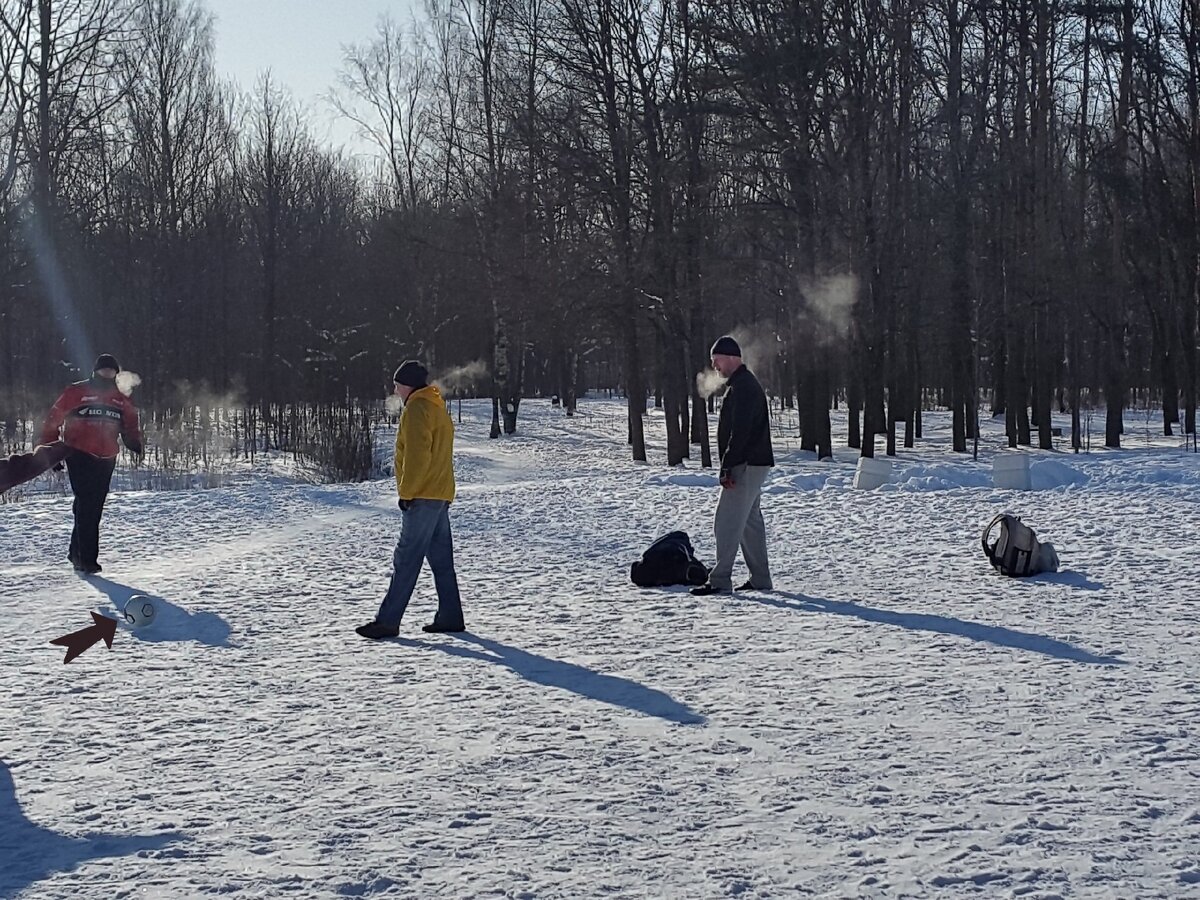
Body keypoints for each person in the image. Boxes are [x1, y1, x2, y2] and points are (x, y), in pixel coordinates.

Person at [357, 360, 465, 638]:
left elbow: (417, 457)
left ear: (408, 385)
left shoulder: (417, 409)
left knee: (405, 559)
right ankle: (450, 616)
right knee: (442, 561)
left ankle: (388, 621)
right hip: (440, 494)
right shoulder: (437, 406)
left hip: (422, 495)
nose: (395, 389)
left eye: (397, 384)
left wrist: (406, 494)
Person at [39, 354, 143, 574]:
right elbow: (53, 419)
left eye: (111, 371)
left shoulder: (121, 398)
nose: (107, 374)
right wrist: (50, 451)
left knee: (90, 505)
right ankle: (87, 559)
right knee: (88, 505)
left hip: (106, 458)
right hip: (78, 453)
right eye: (103, 370)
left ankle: (75, 551)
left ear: (116, 373)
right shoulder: (76, 392)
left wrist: (134, 441)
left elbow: (131, 422)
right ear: (95, 371)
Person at [691, 336, 775, 595]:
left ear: (731, 358)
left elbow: (740, 432)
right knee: (749, 522)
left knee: (726, 521)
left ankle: (720, 580)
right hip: (753, 462)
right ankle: (760, 579)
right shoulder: (742, 385)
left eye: (716, 360)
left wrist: (728, 466)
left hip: (746, 463)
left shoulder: (743, 388)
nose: (715, 366)